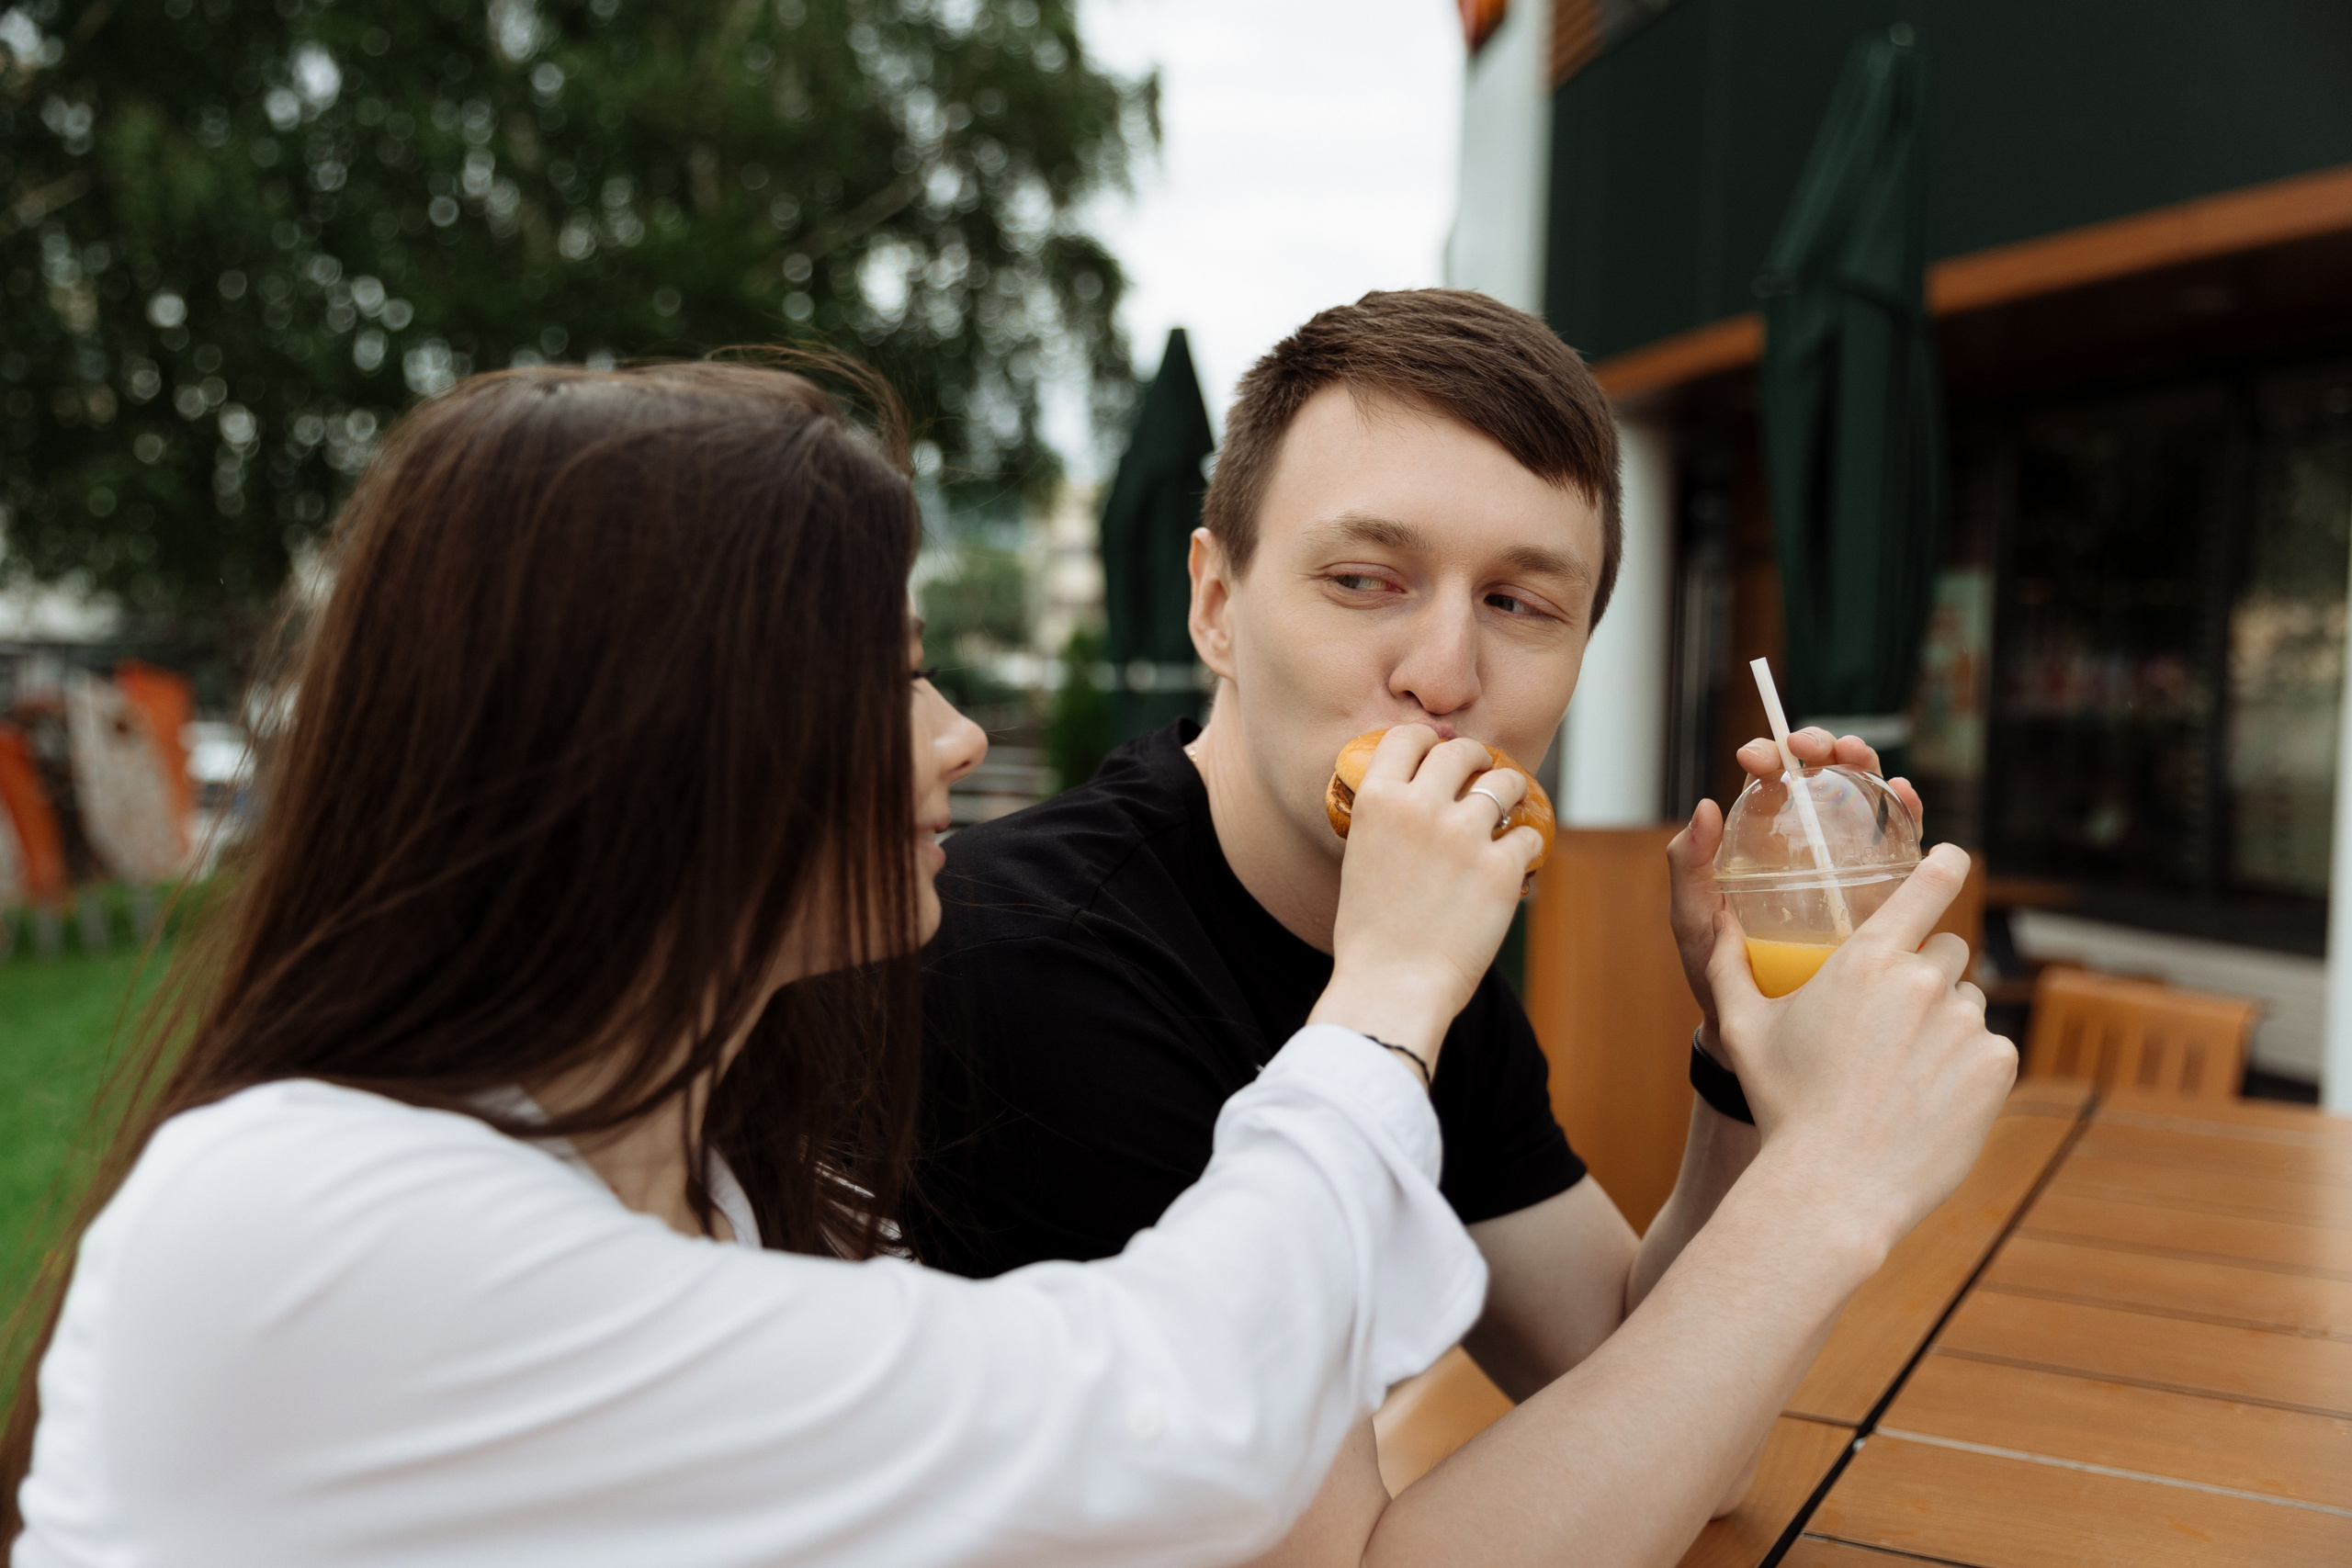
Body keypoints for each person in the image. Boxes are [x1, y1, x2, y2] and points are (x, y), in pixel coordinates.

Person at [2, 360, 1563, 1566]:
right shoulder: (302, 1217)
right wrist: (1387, 999)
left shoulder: (737, 1187)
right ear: (646, 743)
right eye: (887, 679)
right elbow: (1175, 1417)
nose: (956, 738)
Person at [910, 290, 2017, 1565]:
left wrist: (1736, 1055)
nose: (1442, 674)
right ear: (1217, 603)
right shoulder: (1035, 961)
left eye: (1519, 603)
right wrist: (1833, 1182)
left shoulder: (1412, 942)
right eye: (1365, 580)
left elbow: (1682, 1427)